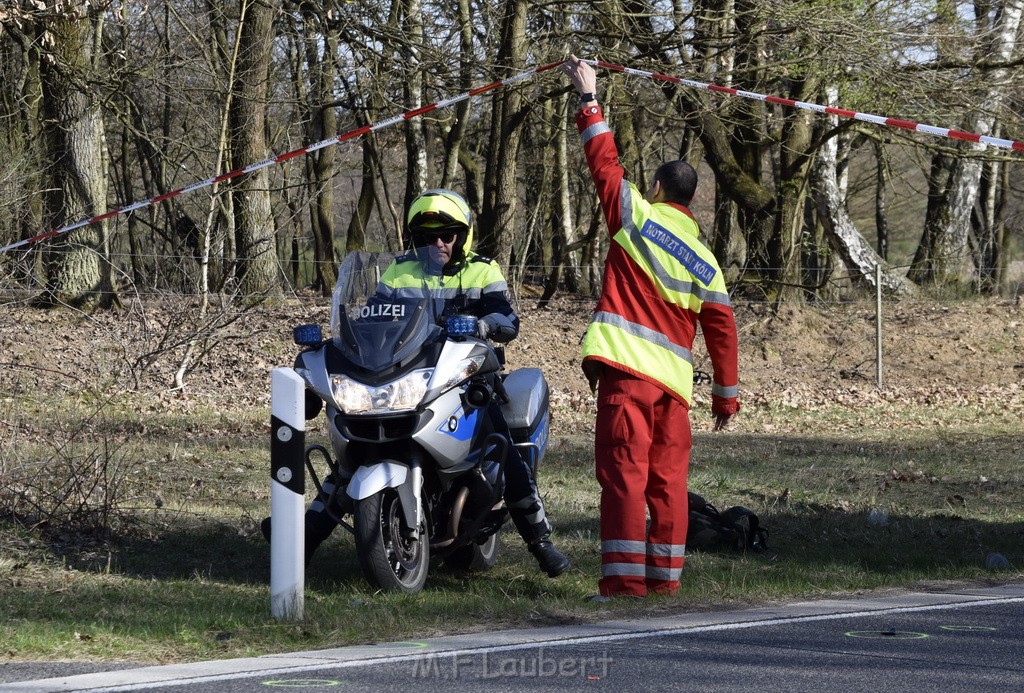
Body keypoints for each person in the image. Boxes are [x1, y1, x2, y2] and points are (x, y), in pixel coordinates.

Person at [263, 189, 571, 578]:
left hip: (469, 374)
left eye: (446, 234)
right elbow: (369, 318)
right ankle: (302, 541)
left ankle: (541, 542)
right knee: (353, 453)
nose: (437, 243)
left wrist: (483, 324)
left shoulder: (482, 269)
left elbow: (508, 322)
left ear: (463, 234)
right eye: (426, 237)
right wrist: (345, 338)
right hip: (407, 371)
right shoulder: (399, 271)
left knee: (502, 445)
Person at [561, 56, 740, 598]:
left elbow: (603, 160)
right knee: (668, 486)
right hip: (676, 390)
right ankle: (665, 584)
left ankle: (621, 584)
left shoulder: (635, 215)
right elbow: (724, 331)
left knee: (623, 478)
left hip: (627, 376)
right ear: (690, 198)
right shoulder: (707, 261)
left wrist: (588, 95)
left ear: (660, 187)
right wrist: (725, 398)